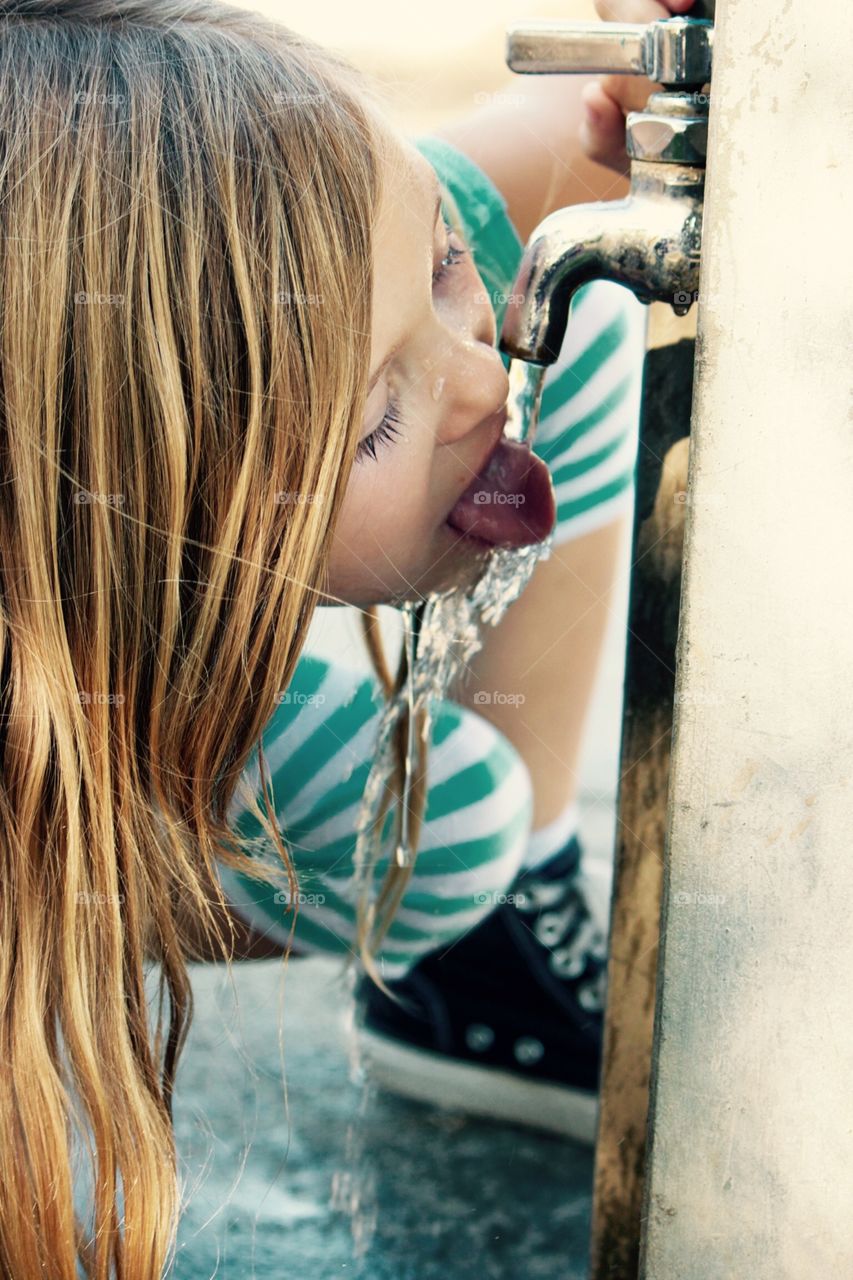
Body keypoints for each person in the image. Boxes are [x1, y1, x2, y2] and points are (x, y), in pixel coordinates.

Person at [0, 0, 688, 1274]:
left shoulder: (324, 279)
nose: (479, 379)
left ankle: (489, 952)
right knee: (445, 828)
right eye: (376, 420)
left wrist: (653, 68)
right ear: (151, 501)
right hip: (52, 743)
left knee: (560, 283)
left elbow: (569, 129)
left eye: (440, 267)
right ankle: (75, 898)